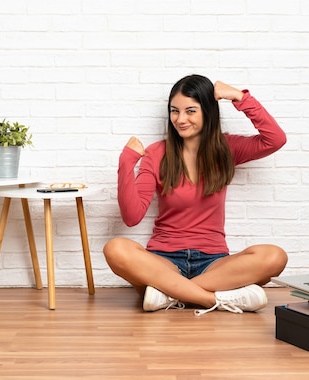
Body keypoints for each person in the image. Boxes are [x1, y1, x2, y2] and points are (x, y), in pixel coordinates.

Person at [103, 74, 288, 316]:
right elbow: (131, 216)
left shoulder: (226, 149)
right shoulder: (157, 153)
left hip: (214, 264)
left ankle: (169, 295)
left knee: (274, 256)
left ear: (208, 112)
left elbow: (275, 139)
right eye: (175, 111)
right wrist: (126, 162)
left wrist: (239, 97)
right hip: (164, 261)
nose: (180, 119)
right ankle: (215, 300)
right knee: (116, 249)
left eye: (191, 111)